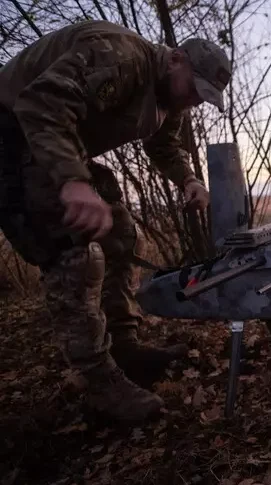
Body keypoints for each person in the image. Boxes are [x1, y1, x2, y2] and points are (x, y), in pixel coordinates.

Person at [0, 20, 231, 422]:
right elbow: (41, 102)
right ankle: (97, 383)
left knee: (123, 235)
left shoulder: (169, 98)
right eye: (193, 88)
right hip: (12, 131)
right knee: (76, 251)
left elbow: (163, 145)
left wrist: (189, 179)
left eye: (203, 97)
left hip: (53, 141)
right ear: (174, 59)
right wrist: (73, 180)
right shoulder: (120, 56)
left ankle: (124, 347)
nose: (194, 101)